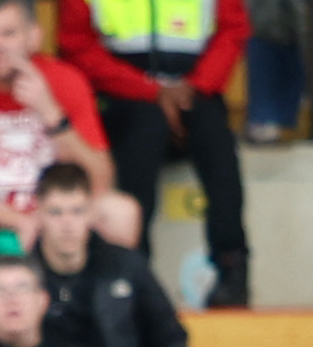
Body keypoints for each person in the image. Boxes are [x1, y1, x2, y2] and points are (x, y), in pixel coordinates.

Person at [0, 0, 133, 272]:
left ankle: (110, 309)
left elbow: (101, 179)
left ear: (34, 37)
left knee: (120, 211)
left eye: (8, 34)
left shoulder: (66, 80)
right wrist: (17, 220)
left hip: (60, 220)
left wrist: (52, 115)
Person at [60, 0, 249, 306]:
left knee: (216, 139)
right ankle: (135, 271)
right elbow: (77, 45)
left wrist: (195, 87)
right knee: (145, 129)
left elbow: (233, 29)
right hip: (120, 91)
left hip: (195, 85)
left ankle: (232, 269)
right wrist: (151, 91)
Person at [29, 165, 230, 347]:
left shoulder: (126, 265)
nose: (67, 224)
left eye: (77, 211)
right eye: (56, 212)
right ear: (38, 214)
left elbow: (167, 336)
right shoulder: (24, 276)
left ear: (91, 215)